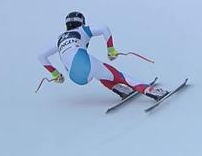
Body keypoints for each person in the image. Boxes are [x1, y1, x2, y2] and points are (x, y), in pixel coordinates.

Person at [38, 11, 168, 100]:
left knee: (99, 71)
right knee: (119, 75)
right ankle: (150, 91)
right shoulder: (82, 30)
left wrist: (56, 74)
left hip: (74, 76)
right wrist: (111, 50)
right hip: (83, 62)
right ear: (81, 22)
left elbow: (41, 56)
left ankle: (120, 90)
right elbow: (104, 29)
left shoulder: (58, 39)